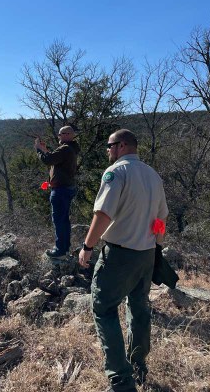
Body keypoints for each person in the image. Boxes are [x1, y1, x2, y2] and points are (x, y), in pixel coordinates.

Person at [78, 129, 168, 392]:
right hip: (146, 254)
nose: (107, 150)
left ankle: (121, 380)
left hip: (119, 255)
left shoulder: (116, 173)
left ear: (122, 145)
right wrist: (157, 249)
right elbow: (161, 219)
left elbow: (103, 214)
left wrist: (87, 246)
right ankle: (138, 365)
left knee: (104, 309)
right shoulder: (153, 175)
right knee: (139, 309)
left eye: (110, 145)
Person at [35, 125, 80, 258]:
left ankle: (60, 250)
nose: (58, 137)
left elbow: (48, 160)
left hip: (60, 190)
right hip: (66, 188)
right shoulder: (71, 148)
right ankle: (65, 247)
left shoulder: (65, 148)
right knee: (64, 219)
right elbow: (55, 159)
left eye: (60, 135)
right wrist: (45, 150)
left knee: (59, 220)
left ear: (67, 135)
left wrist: (39, 150)